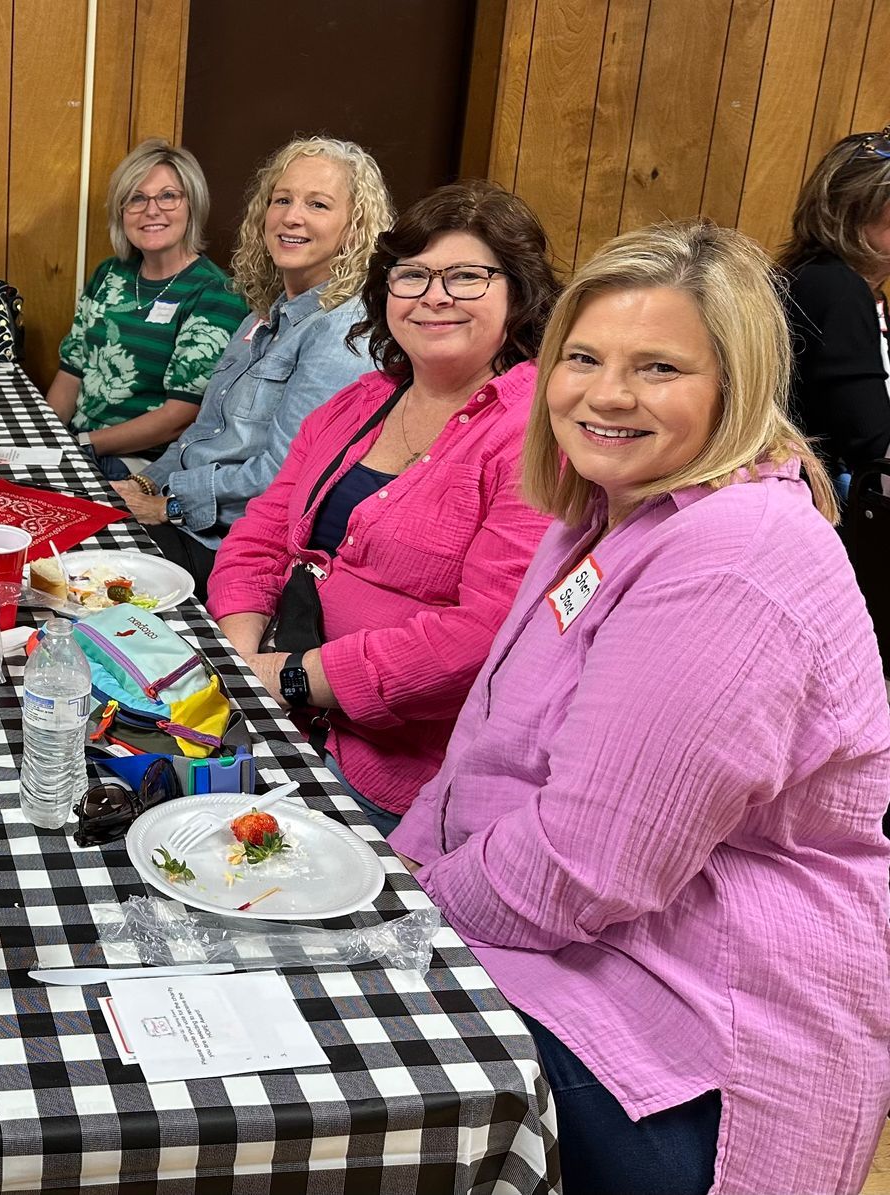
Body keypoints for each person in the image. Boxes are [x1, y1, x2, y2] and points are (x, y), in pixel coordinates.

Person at [393, 221, 890, 1195]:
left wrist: (404, 908)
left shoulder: (732, 560)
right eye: (584, 357)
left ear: (733, 388)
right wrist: (402, 863)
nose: (606, 393)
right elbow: (480, 756)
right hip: (555, 944)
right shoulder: (602, 511)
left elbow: (581, 871)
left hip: (683, 1030)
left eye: (657, 366)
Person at [207, 180, 559, 834]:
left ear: (520, 293)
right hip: (283, 712)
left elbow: (480, 637)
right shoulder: (362, 400)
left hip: (392, 775)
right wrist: (241, 662)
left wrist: (285, 677)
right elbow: (259, 536)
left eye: (466, 277)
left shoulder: (533, 434)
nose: (435, 296)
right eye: (414, 275)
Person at [111, 137, 393, 597]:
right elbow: (201, 435)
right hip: (182, 514)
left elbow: (284, 474)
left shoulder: (342, 332)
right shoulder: (265, 314)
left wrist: (167, 506)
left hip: (226, 546)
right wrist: (142, 481)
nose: (291, 216)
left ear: (355, 226)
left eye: (317, 204)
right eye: (281, 199)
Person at [45, 138, 249, 476]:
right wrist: (45, 440)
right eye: (137, 198)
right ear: (121, 212)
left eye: (168, 196)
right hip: (80, 447)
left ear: (192, 206)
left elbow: (178, 419)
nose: (151, 210)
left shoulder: (216, 293)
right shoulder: (110, 274)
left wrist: (79, 444)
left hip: (142, 465)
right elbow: (71, 374)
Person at [778, 125, 890, 486]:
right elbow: (872, 448)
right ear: (853, 208)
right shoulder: (835, 288)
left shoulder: (820, 277)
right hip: (820, 500)